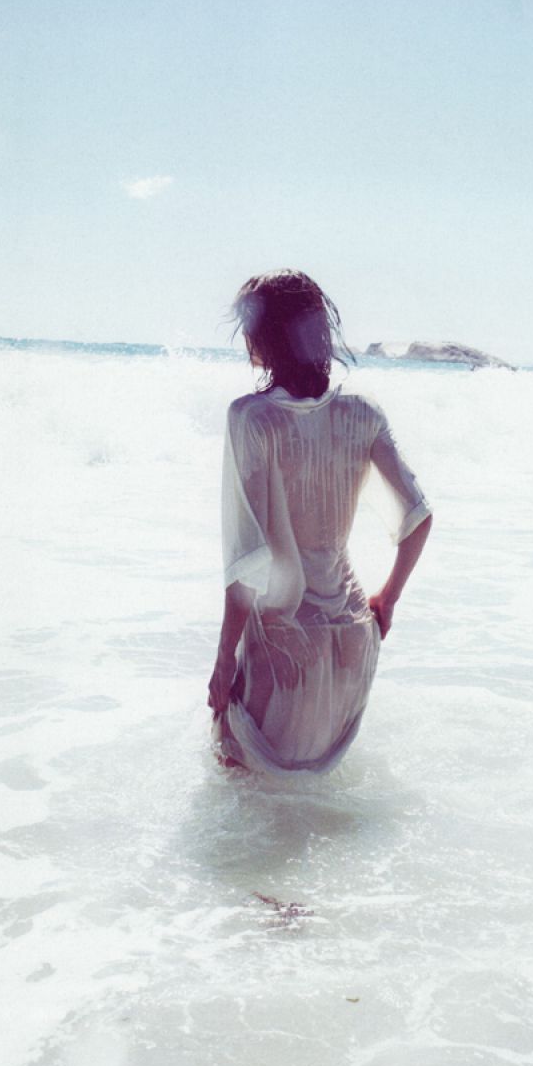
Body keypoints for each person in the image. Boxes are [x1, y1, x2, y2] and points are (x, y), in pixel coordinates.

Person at [207, 269, 433, 774]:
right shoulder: (364, 413)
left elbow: (247, 562)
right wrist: (388, 598)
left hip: (284, 642)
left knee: (241, 791)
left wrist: (223, 662)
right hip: (354, 637)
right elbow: (419, 517)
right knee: (316, 802)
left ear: (264, 336)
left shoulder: (252, 418)